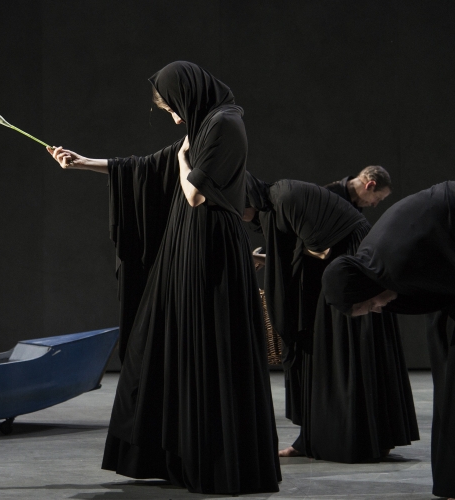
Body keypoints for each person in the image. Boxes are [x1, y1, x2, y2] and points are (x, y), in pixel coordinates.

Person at [47, 61, 280, 495]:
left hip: (208, 247)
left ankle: (214, 461)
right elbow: (147, 168)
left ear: (188, 94)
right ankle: (178, 456)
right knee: (165, 343)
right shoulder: (206, 123)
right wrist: (82, 163)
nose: (174, 118)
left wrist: (182, 159)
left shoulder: (224, 124)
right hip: (188, 245)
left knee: (205, 346)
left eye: (172, 108)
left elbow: (194, 193)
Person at [244, 173, 418, 463]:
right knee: (317, 349)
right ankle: (312, 437)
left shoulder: (284, 197)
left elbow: (320, 250)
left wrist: (272, 262)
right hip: (332, 267)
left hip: (347, 267)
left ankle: (364, 438)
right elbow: (302, 250)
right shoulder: (275, 203)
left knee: (344, 348)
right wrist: (269, 260)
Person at [322, 176, 455, 500]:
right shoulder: (375, 264)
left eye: (369, 305)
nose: (377, 309)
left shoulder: (395, 266)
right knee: (449, 369)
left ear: (364, 288)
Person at [324, 165, 392, 210]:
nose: (375, 204)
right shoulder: (327, 198)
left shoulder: (355, 208)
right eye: (377, 198)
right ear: (370, 185)